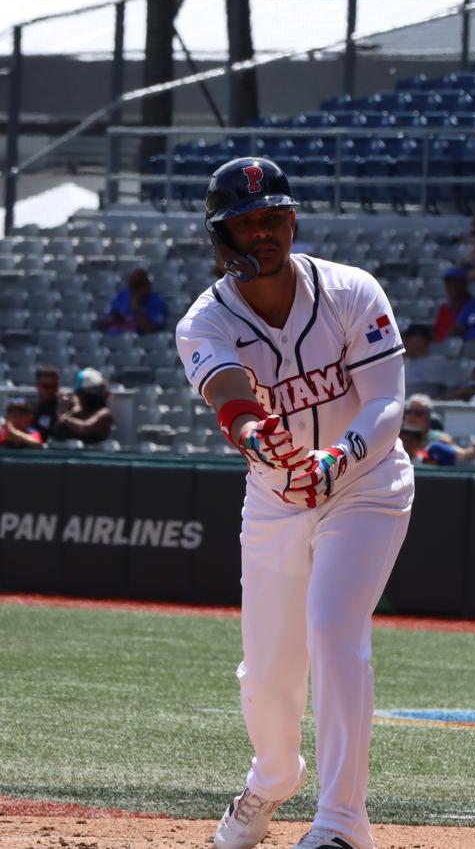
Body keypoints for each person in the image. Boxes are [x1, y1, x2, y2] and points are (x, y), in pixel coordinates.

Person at [174, 157, 413, 849]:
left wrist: (338, 459)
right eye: (248, 222)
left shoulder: (349, 290)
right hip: (276, 496)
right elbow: (230, 399)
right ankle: (273, 776)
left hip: (366, 484)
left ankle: (343, 821)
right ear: (223, 237)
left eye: (274, 217)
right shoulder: (204, 320)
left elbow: (389, 402)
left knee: (335, 627)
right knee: (267, 671)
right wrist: (260, 440)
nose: (265, 232)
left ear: (293, 220)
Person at [53, 367, 114, 445]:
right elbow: (58, 427)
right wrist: (71, 409)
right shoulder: (76, 410)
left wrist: (65, 417)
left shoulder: (104, 413)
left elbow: (85, 428)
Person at [99, 267, 168, 335]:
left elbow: (152, 331)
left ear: (147, 286)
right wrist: (115, 320)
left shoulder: (157, 303)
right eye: (132, 286)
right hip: (114, 339)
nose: (134, 290)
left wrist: (136, 308)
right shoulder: (122, 295)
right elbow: (102, 323)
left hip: (138, 342)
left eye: (138, 286)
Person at [402, 325, 457, 398]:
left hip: (424, 406)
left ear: (422, 341)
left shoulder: (439, 363)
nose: (403, 343)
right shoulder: (403, 363)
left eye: (407, 339)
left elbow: (459, 389)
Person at [432, 265, 471, 342]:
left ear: (465, 284)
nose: (453, 286)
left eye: (457, 282)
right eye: (449, 283)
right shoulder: (444, 308)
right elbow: (437, 333)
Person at [32, 364, 63, 440]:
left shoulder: (64, 407)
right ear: (36, 385)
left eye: (54, 386)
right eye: (46, 386)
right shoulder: (30, 408)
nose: (51, 390)